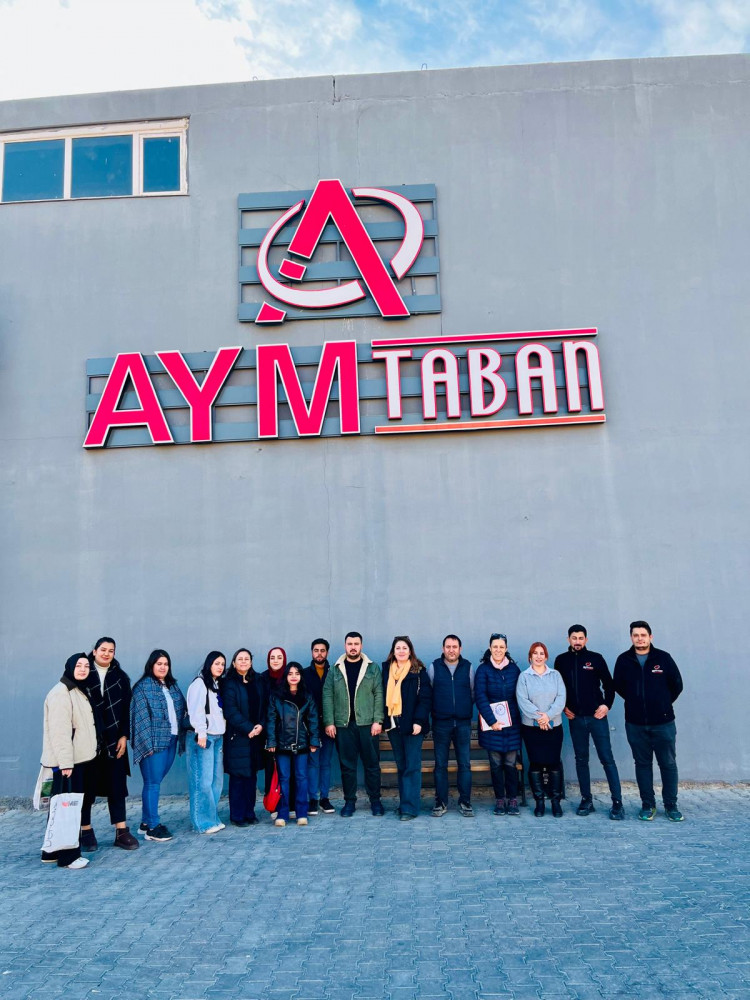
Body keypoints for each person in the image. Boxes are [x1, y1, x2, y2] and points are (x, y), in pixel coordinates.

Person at [613, 620, 684, 822]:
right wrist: (636, 702)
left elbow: (677, 685)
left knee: (668, 764)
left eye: (643, 635)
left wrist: (661, 703)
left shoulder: (663, 658)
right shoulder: (624, 660)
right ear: (631, 637)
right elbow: (619, 686)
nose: (640, 639)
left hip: (663, 723)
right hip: (635, 723)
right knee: (643, 764)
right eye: (636, 635)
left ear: (650, 637)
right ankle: (648, 805)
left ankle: (671, 805)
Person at [554, 625, 624, 820]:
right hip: (575, 719)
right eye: (574, 638)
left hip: (596, 717)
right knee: (581, 759)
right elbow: (557, 688)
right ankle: (586, 800)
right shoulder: (561, 660)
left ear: (586, 640)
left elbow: (609, 685)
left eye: (581, 638)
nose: (577, 641)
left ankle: (617, 802)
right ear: (568, 639)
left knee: (607, 759)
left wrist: (606, 705)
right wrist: (564, 707)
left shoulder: (596, 658)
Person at [40, 653, 99, 869]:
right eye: (78, 665)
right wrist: (66, 763)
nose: (83, 669)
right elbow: (60, 732)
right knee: (68, 809)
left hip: (78, 760)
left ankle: (50, 851)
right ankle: (69, 856)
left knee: (61, 807)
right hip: (69, 763)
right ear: (70, 667)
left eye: (86, 666)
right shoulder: (61, 693)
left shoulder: (77, 690)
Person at [81, 636, 138, 850]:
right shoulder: (83, 672)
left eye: (111, 650)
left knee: (117, 785)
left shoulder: (121, 677)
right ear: (95, 651)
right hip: (88, 739)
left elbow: (126, 710)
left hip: (115, 740)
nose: (106, 653)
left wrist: (124, 736)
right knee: (86, 786)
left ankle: (121, 831)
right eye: (103, 649)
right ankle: (85, 830)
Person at [322, 631, 384, 817]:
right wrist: (329, 722)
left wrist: (378, 720)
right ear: (345, 646)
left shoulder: (372, 668)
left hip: (368, 725)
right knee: (347, 766)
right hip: (344, 726)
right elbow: (327, 695)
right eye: (350, 644)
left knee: (372, 765)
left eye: (356, 644)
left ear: (361, 646)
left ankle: (375, 801)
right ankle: (349, 802)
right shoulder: (335, 669)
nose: (353, 647)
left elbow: (379, 694)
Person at [130, 649, 188, 842]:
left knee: (154, 782)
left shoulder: (172, 686)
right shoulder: (143, 687)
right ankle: (153, 827)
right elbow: (139, 719)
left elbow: (182, 708)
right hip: (153, 742)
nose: (163, 667)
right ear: (151, 665)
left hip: (172, 739)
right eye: (159, 664)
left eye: (166, 664)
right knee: (152, 783)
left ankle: (145, 822)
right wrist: (147, 746)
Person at [382, 636, 432, 821]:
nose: (401, 651)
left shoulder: (418, 671)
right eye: (398, 648)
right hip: (394, 725)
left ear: (410, 651)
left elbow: (425, 699)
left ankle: (410, 809)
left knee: (411, 766)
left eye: (405, 648)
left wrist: (418, 721)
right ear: (393, 651)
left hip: (412, 725)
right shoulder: (387, 670)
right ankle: (405, 804)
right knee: (402, 765)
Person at [427, 634, 475, 818]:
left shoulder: (468, 667)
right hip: (441, 724)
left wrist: (463, 709)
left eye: (455, 647)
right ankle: (441, 802)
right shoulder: (434, 667)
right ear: (443, 649)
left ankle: (465, 802)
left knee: (465, 764)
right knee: (440, 765)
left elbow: (472, 693)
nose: (451, 650)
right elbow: (429, 693)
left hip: (463, 723)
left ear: (460, 649)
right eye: (448, 647)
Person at [516, 642, 567, 818]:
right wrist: (540, 718)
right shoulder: (524, 677)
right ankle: (539, 802)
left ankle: (555, 801)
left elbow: (561, 698)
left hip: (554, 726)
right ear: (530, 657)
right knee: (536, 763)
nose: (538, 656)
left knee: (554, 762)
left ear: (546, 656)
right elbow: (523, 701)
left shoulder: (555, 675)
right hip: (531, 728)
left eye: (541, 653)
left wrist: (548, 716)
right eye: (535, 653)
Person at [266, 662, 320, 827]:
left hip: (301, 743)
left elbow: (313, 720)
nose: (294, 676)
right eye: (290, 673)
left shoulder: (307, 696)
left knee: (302, 778)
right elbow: (271, 720)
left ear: (301, 676)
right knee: (284, 778)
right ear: (286, 676)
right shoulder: (276, 696)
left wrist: (314, 741)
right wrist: (271, 741)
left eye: (297, 673)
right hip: (282, 743)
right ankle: (282, 813)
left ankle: (301, 813)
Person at [475, 633, 523, 816]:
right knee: (495, 764)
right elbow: (480, 696)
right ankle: (500, 800)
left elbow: (519, 695)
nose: (498, 650)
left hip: (512, 725)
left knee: (511, 764)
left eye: (501, 647)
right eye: (495, 647)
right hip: (491, 726)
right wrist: (492, 721)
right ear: (490, 648)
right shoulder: (483, 670)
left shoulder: (514, 670)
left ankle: (512, 799)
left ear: (506, 649)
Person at [222, 648, 265, 827]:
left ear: (251, 662)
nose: (244, 662)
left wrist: (260, 725)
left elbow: (265, 705)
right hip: (238, 737)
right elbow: (230, 711)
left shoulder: (258, 681)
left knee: (251, 776)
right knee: (238, 777)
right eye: (240, 659)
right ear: (233, 663)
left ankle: (250, 812)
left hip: (256, 736)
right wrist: (249, 728)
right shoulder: (229, 683)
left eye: (247, 659)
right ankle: (237, 815)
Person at [186, 651, 227, 834]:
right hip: (204, 737)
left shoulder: (216, 684)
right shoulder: (199, 683)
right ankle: (202, 823)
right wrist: (201, 733)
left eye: (222, 664)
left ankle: (212, 817)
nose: (220, 667)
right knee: (202, 781)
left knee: (216, 782)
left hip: (218, 737)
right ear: (209, 664)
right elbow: (196, 711)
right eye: (216, 663)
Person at [303, 638, 336, 815]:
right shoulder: (304, 674)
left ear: (327, 652)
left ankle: (324, 798)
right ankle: (312, 799)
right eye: (316, 650)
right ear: (312, 652)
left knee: (326, 763)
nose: (319, 654)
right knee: (313, 763)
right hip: (311, 726)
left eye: (322, 650)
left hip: (329, 725)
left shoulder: (334, 672)